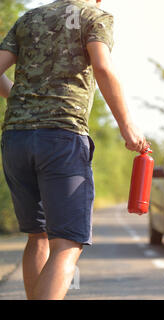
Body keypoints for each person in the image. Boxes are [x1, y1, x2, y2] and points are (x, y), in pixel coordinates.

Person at [0, 0, 148, 299]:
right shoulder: (95, 16)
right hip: (61, 138)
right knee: (66, 244)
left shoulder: (29, 18)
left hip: (16, 138)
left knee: (37, 237)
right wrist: (127, 127)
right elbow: (103, 68)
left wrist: (18, 98)